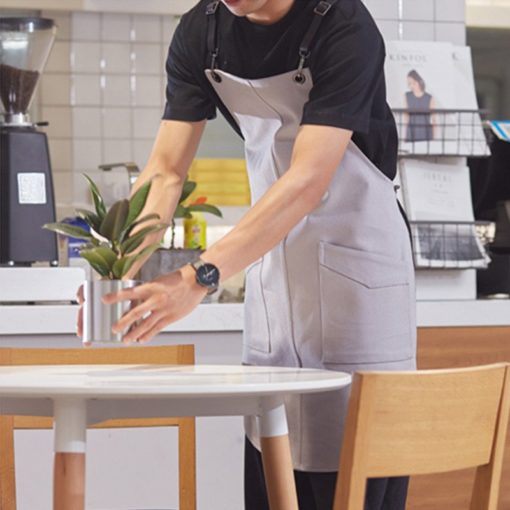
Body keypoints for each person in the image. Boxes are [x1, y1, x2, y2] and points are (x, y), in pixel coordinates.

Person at [93, 0, 417, 508]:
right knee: (273, 466)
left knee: (355, 471)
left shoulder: (343, 25)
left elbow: (308, 180)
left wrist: (200, 276)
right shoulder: (203, 31)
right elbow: (165, 170)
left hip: (362, 276)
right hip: (273, 273)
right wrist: (120, 264)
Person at [404, 69, 437, 142]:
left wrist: (434, 140)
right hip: (411, 132)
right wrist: (404, 136)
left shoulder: (430, 98)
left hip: (426, 132)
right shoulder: (406, 96)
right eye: (408, 83)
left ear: (417, 81)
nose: (409, 85)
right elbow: (405, 118)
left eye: (411, 82)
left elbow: (434, 120)